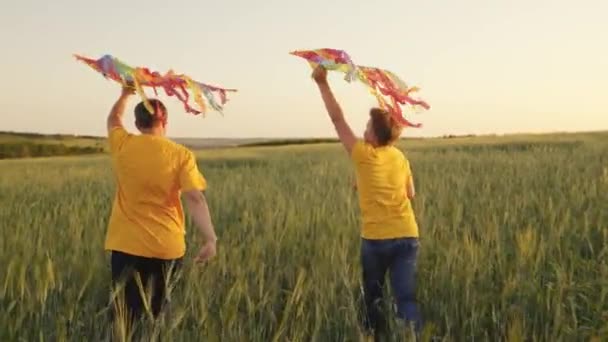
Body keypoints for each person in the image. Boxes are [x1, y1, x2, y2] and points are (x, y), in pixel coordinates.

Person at [311, 65, 422, 339]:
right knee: (405, 297)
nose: (363, 131)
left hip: (376, 240)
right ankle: (412, 336)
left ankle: (373, 335)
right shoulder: (400, 157)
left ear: (375, 135)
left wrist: (322, 83)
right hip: (408, 235)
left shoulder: (363, 154)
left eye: (368, 127)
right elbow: (410, 193)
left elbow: (337, 120)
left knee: (372, 295)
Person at [104, 85, 218, 327]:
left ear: (137, 124)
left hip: (126, 245)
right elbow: (195, 199)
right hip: (167, 248)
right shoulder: (181, 155)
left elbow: (113, 119)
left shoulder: (122, 143)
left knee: (125, 317)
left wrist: (125, 94)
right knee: (157, 314)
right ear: (164, 122)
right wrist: (210, 239)